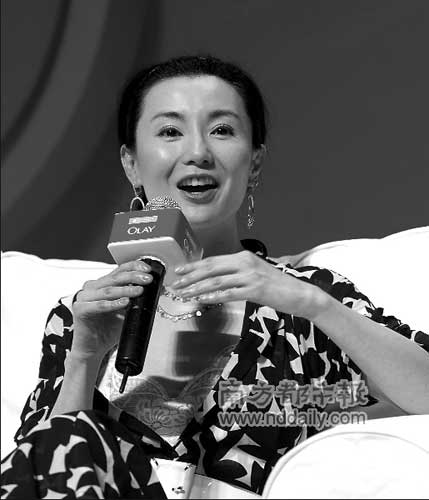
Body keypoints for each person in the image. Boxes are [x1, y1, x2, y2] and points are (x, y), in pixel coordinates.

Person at [1, 55, 429, 499]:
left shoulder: (305, 299)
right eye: (170, 132)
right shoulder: (86, 312)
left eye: (222, 130)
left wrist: (313, 304)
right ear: (132, 164)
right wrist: (83, 359)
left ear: (254, 162)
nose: (198, 153)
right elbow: (37, 465)